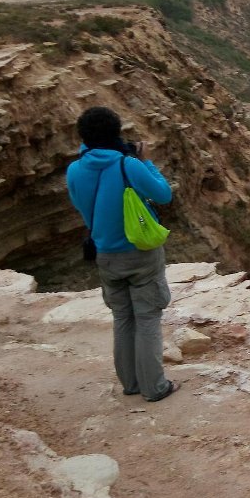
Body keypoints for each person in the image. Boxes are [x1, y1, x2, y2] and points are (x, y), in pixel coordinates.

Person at [66, 106, 179, 402]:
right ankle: (154, 387)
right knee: (147, 318)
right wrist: (147, 161)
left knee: (122, 318)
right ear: (117, 134)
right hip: (140, 253)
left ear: (83, 137)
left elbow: (80, 206)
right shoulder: (128, 165)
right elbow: (164, 194)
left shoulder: (75, 169)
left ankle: (130, 383)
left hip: (105, 253)